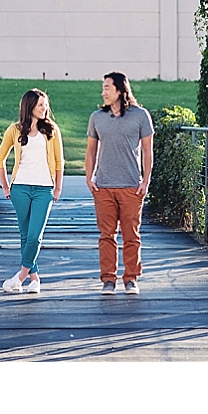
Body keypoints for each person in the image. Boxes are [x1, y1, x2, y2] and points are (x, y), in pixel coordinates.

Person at [85, 71, 154, 295]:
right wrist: (89, 177)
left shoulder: (140, 116)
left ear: (120, 90)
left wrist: (146, 180)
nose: (103, 92)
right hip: (103, 186)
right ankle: (108, 280)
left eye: (107, 88)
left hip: (131, 186)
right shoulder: (97, 117)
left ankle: (131, 279)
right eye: (103, 88)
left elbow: (147, 151)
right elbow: (91, 151)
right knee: (107, 235)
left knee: (131, 236)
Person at [0, 89, 64, 294]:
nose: (45, 108)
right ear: (30, 106)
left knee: (35, 236)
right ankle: (34, 279)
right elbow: (0, 159)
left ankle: (19, 278)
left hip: (44, 189)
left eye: (46, 104)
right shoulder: (14, 130)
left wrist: (58, 187)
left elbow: (59, 162)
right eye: (40, 104)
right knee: (25, 236)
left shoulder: (52, 130)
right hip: (20, 188)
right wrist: (5, 186)